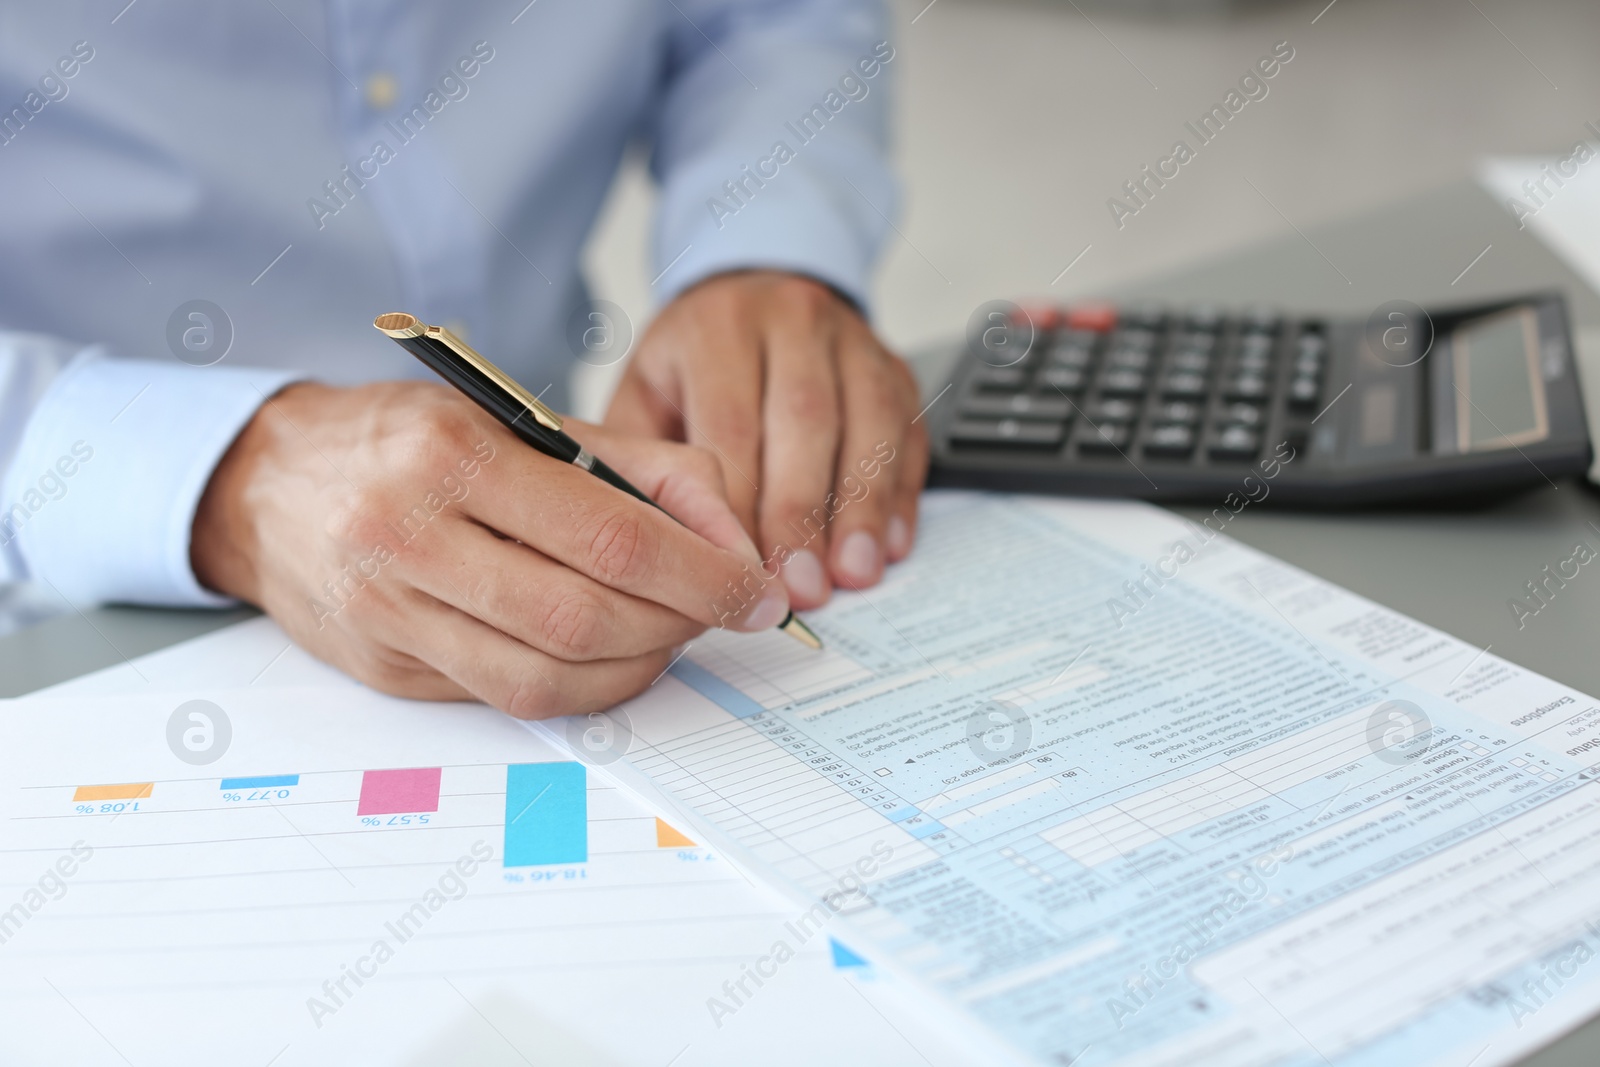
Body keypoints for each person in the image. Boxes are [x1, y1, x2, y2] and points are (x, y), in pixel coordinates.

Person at [0, 1, 927, 716]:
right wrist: (224, 479)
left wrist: (763, 246)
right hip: (68, 609)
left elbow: (767, 21)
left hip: (532, 540)